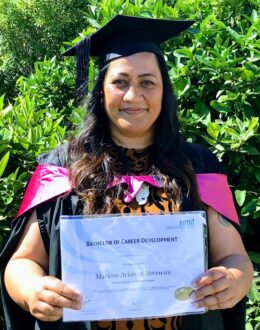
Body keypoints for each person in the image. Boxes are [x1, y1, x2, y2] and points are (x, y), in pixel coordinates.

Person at [0, 14, 253, 330]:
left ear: (164, 91)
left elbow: (235, 258)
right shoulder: (63, 167)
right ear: (101, 91)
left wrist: (233, 280)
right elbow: (22, 262)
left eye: (147, 82)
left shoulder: (198, 166)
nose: (134, 96)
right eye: (120, 82)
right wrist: (31, 289)